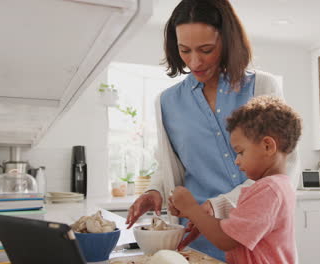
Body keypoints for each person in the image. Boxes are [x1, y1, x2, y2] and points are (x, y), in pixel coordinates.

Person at [125, 0, 301, 260]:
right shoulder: (167, 102)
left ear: (228, 42)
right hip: (195, 238)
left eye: (206, 50)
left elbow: (285, 163)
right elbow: (171, 164)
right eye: (184, 50)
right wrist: (154, 190)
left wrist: (218, 206)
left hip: (254, 239)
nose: (194, 62)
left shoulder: (262, 86)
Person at [170, 95, 302, 264]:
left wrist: (191, 208)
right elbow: (237, 229)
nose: (237, 160)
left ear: (267, 146)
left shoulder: (268, 190)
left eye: (241, 152)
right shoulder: (279, 185)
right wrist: (201, 219)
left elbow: (226, 240)